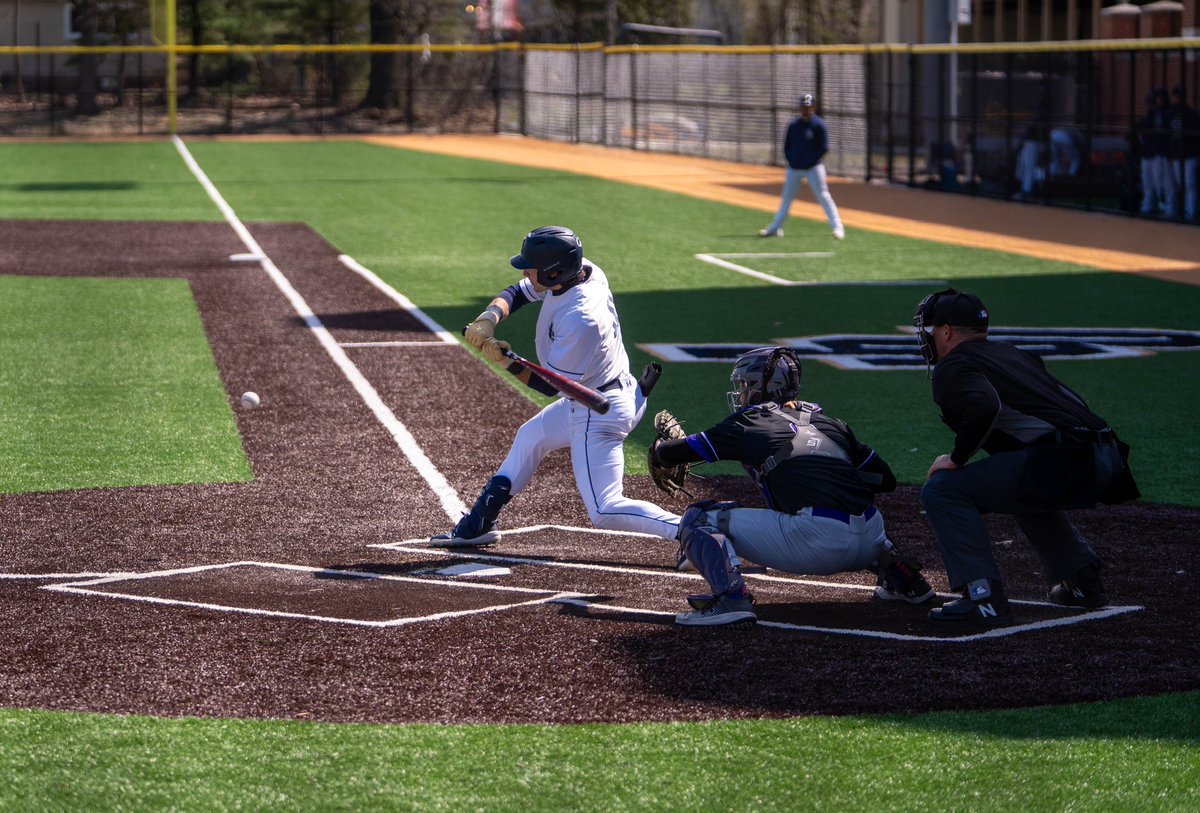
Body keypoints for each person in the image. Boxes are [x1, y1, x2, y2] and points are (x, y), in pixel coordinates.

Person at [430, 226, 680, 547]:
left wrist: (505, 360)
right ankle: (480, 522)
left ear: (553, 272)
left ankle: (693, 529)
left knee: (604, 508)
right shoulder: (581, 271)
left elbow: (550, 386)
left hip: (597, 408)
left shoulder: (581, 318)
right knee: (531, 437)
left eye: (531, 267)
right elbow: (518, 292)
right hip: (611, 390)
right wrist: (489, 317)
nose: (525, 272)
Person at [647, 347, 933, 627]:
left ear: (762, 387)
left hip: (819, 544)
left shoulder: (750, 422)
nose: (742, 392)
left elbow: (674, 453)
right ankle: (903, 577)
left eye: (746, 385)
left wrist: (659, 447)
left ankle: (731, 599)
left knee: (697, 518)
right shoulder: (830, 423)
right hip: (871, 540)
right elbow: (884, 480)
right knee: (857, 513)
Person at [912, 289, 1139, 629]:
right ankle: (1082, 581)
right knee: (1023, 482)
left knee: (943, 489)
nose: (928, 338)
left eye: (931, 330)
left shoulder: (954, 364)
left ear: (946, 332)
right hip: (1105, 455)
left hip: (1066, 458)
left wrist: (957, 458)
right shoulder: (1013, 354)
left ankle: (982, 597)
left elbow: (986, 406)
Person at [760, 94, 845, 240]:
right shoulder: (794, 125)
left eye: (809, 107)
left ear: (813, 108)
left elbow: (824, 147)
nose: (806, 110)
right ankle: (775, 228)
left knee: (823, 195)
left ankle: (837, 227)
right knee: (787, 197)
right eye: (804, 107)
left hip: (813, 168)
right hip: (794, 168)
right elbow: (787, 146)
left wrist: (809, 161)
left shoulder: (819, 125)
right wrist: (792, 160)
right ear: (800, 108)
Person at [1138, 89, 1177, 218]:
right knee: (1147, 183)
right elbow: (1141, 128)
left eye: (1152, 102)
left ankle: (1169, 209)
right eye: (1149, 102)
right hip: (1147, 154)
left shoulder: (1163, 114)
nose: (1150, 104)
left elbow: (1164, 132)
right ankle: (1147, 207)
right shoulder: (1149, 114)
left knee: (1164, 184)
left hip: (1159, 154)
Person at [1169, 85, 1200, 223]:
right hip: (1177, 154)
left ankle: (1190, 213)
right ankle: (1182, 211)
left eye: (1179, 95)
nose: (1176, 98)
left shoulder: (1191, 113)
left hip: (1190, 155)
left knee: (1190, 184)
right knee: (1181, 184)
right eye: (1175, 95)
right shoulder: (1171, 113)